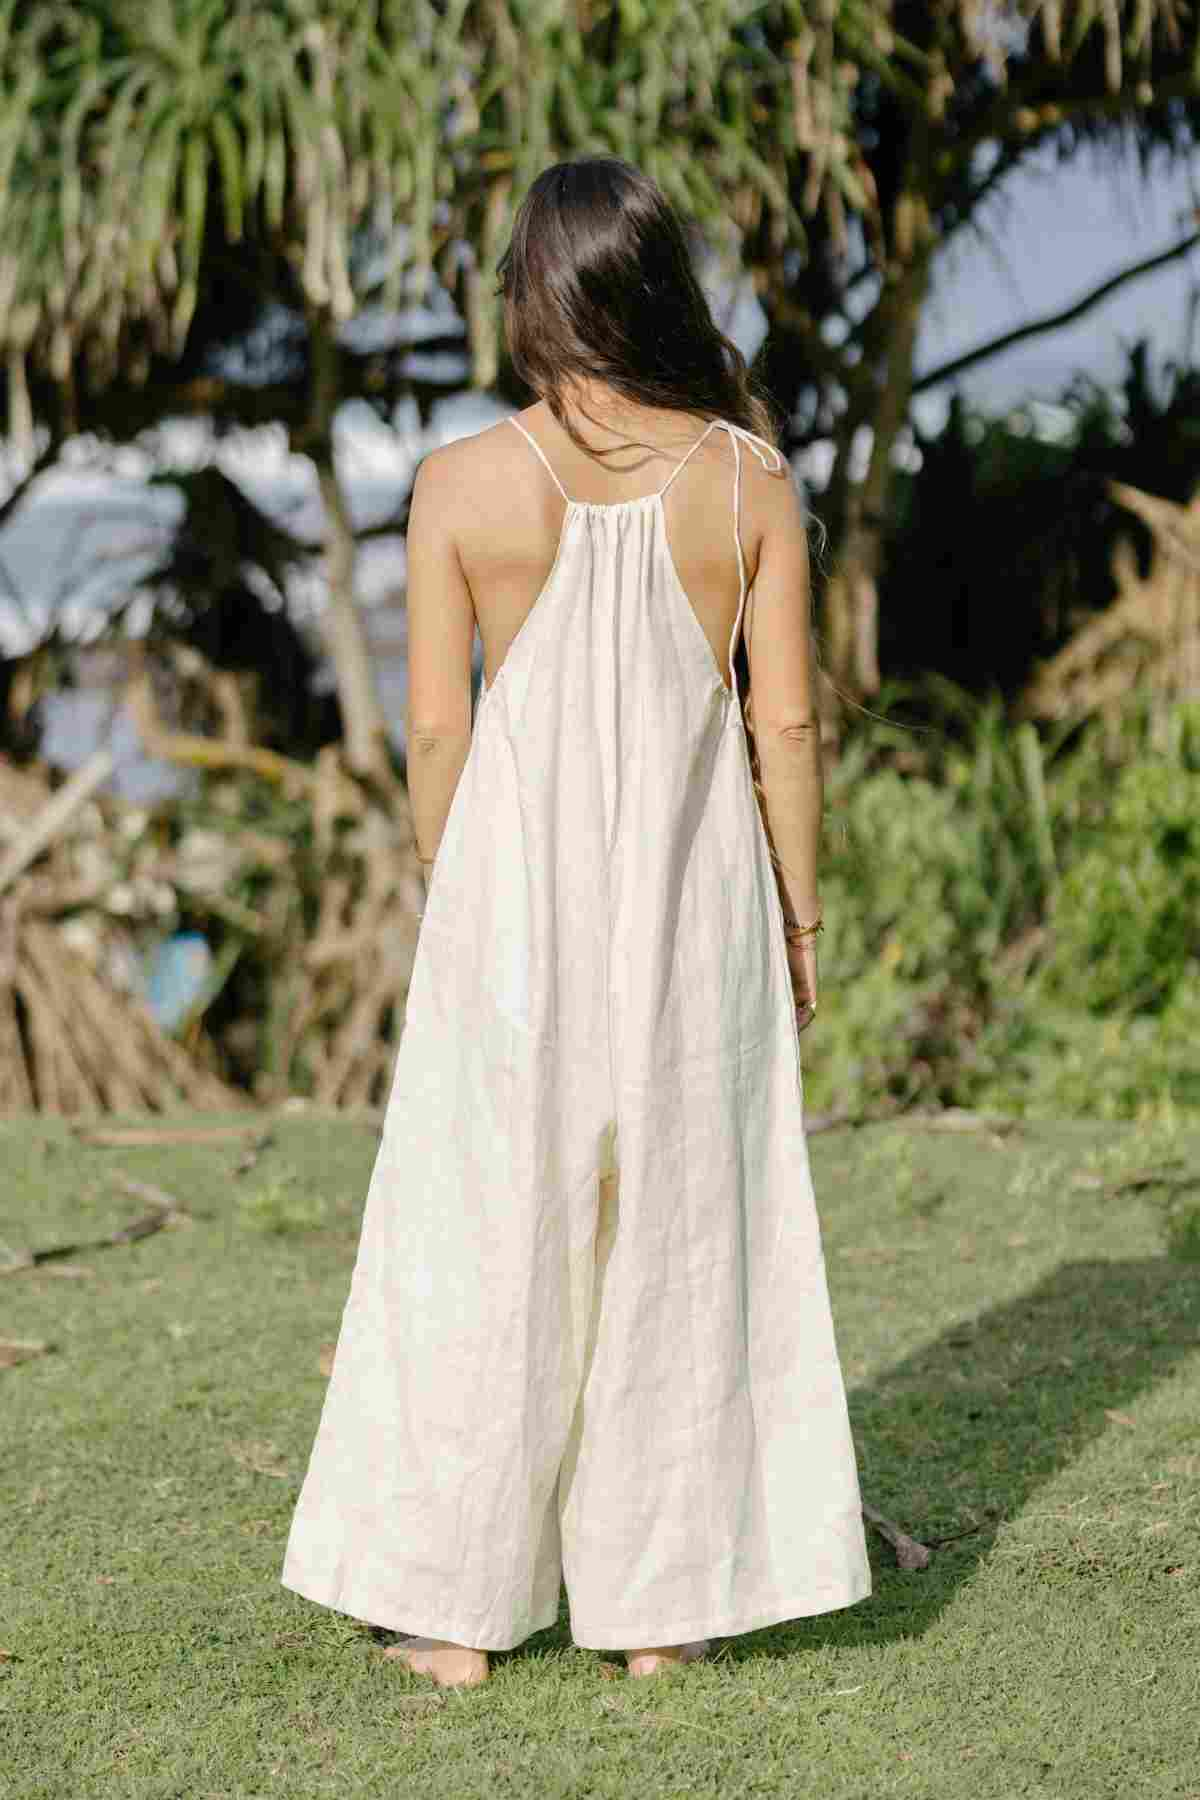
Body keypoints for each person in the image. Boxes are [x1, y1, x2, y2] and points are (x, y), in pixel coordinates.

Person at [280, 155, 872, 1689]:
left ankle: (455, 1614)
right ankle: (658, 1611)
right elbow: (787, 731)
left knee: (482, 1227)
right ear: (654, 285)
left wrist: (447, 893)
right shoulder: (748, 484)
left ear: (532, 298)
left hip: (511, 904)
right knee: (682, 1221)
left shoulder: (463, 486)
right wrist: (800, 926)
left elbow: (432, 739)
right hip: (698, 906)